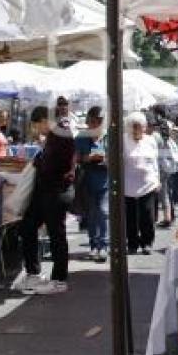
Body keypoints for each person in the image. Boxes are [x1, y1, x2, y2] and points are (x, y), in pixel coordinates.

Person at [19, 106, 77, 295]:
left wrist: (38, 161)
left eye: (37, 126)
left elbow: (51, 165)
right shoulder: (56, 134)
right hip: (48, 190)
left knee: (56, 234)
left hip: (56, 190)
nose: (37, 130)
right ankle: (33, 273)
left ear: (44, 120)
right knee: (28, 225)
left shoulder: (61, 134)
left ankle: (59, 280)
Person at [75, 106, 109, 262]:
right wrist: (88, 158)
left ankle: (104, 245)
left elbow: (118, 157)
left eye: (98, 122)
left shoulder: (109, 137)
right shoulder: (81, 137)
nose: (94, 125)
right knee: (91, 214)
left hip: (106, 180)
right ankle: (94, 245)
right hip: (87, 180)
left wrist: (105, 159)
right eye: (92, 121)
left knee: (103, 212)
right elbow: (75, 158)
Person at [124, 112, 160, 255]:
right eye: (134, 127)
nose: (137, 130)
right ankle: (132, 244)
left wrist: (157, 180)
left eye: (140, 127)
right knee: (130, 216)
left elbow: (154, 162)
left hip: (148, 183)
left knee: (147, 214)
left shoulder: (150, 140)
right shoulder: (124, 140)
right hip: (128, 184)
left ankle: (147, 242)